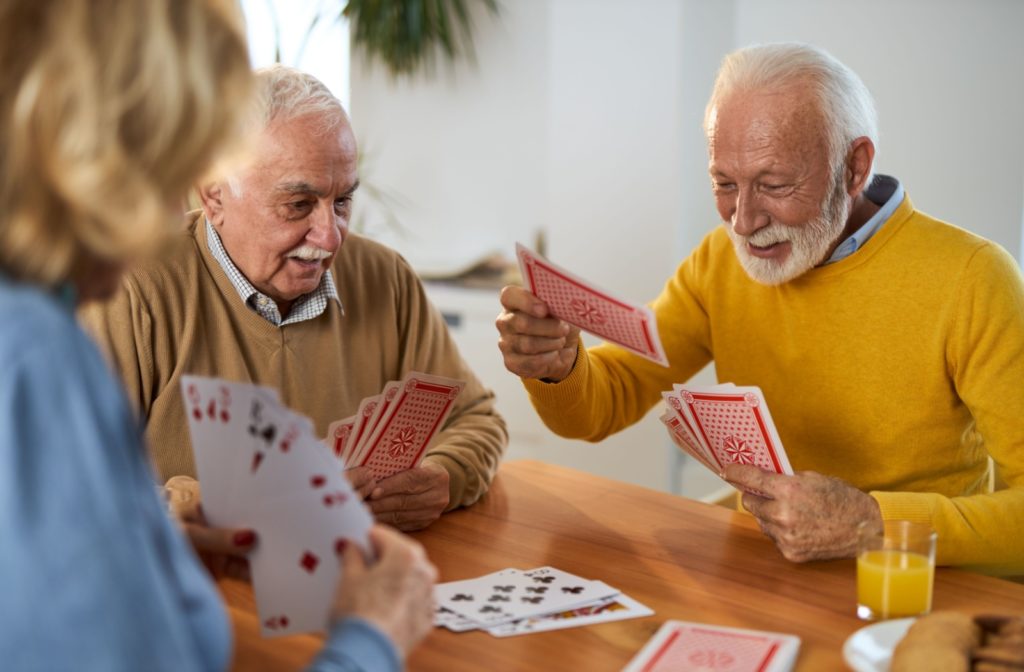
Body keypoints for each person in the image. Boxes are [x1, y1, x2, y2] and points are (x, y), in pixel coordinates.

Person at [0, 1, 436, 670]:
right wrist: (372, 638)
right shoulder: (37, 356)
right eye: (177, 161)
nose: (180, 210)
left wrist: (157, 538)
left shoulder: (38, 330)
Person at [496, 42, 1024, 573]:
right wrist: (558, 367)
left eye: (774, 184)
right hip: (765, 569)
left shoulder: (974, 277)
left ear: (854, 167)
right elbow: (603, 404)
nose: (743, 222)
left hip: (911, 589)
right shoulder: (717, 262)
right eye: (724, 184)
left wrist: (872, 525)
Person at [80, 65, 508, 533]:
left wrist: (443, 476)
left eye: (342, 202)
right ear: (214, 195)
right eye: (298, 205)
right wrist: (238, 508)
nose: (329, 238)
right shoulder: (128, 292)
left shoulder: (386, 279)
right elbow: (69, 490)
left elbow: (476, 419)